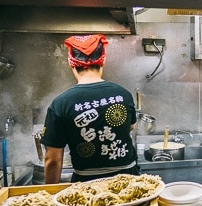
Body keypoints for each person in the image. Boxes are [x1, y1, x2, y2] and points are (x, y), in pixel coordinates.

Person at [41, 34, 139, 184]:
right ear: (103, 60)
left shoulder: (60, 104)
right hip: (129, 183)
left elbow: (53, 160)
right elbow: (130, 127)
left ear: (70, 63)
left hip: (86, 187)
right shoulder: (123, 95)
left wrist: (48, 195)